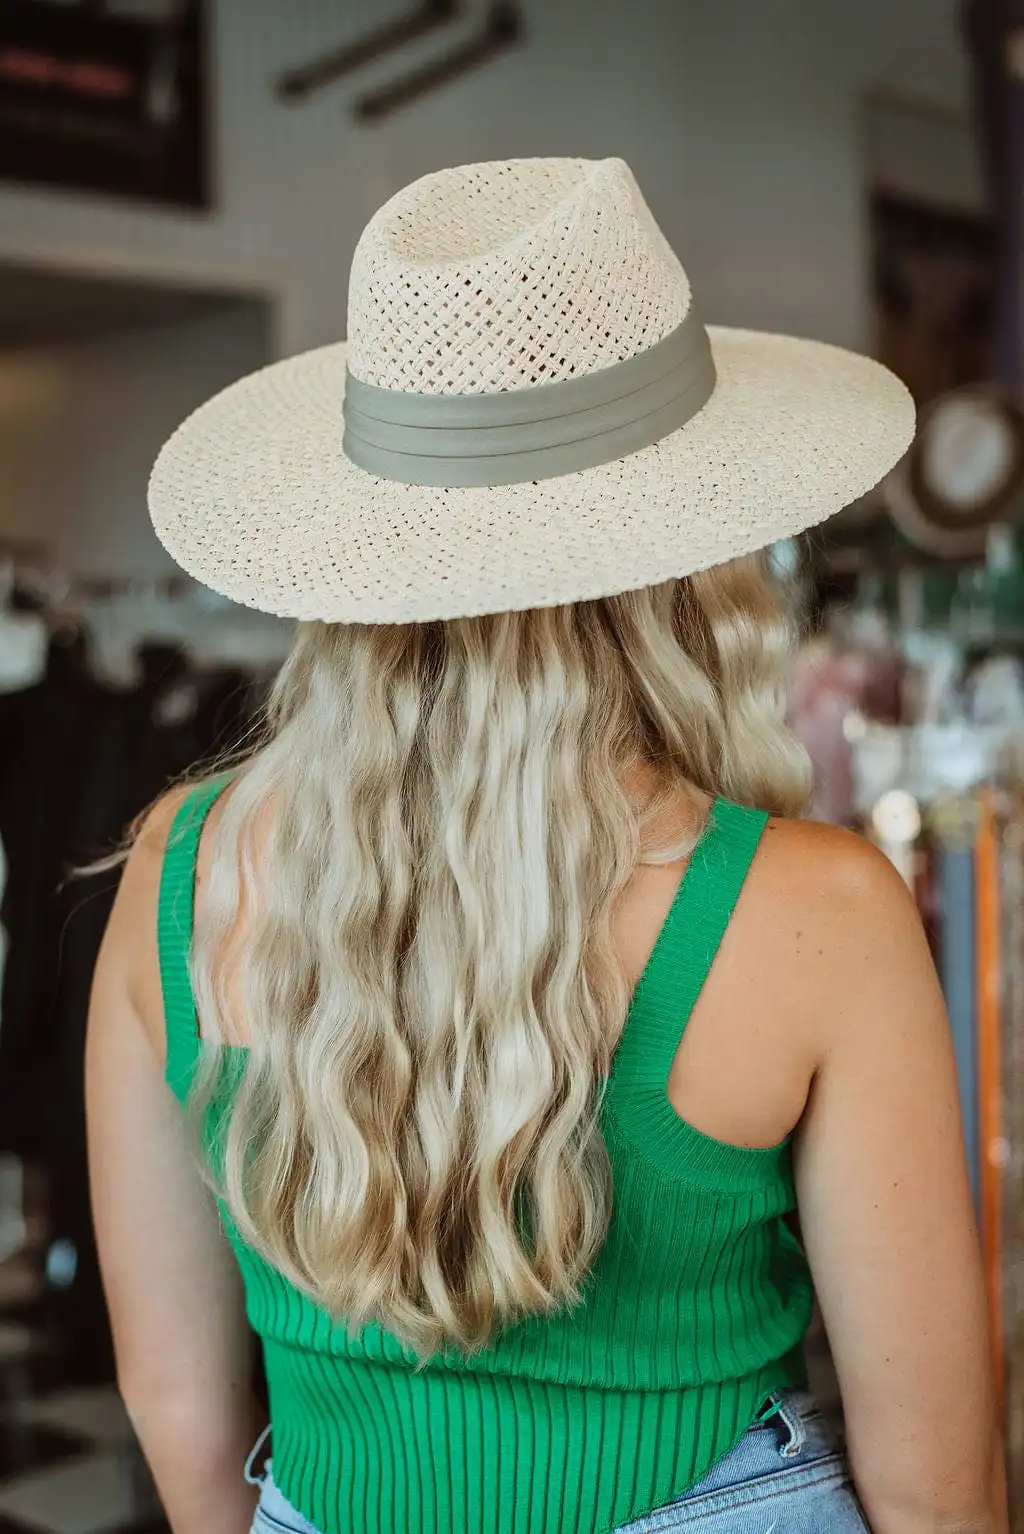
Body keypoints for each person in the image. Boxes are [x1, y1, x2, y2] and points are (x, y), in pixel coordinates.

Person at [85, 157, 1006, 1534]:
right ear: (688, 549)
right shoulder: (814, 911)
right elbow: (940, 1483)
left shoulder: (178, 871)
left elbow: (178, 1399)